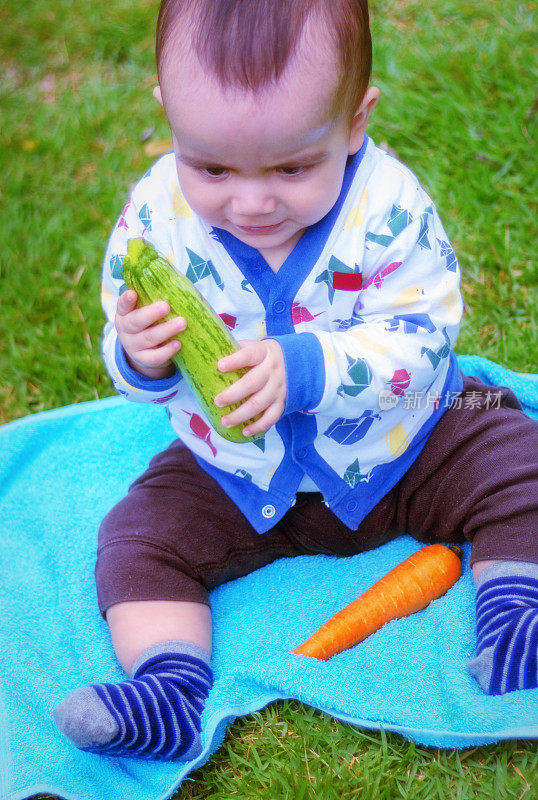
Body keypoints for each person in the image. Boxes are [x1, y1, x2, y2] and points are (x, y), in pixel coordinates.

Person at [53, 0, 538, 761]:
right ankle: (169, 692)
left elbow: (424, 333)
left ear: (354, 121)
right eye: (210, 166)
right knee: (134, 541)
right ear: (169, 119)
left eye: (291, 168)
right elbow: (136, 348)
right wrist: (139, 356)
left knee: (515, 457)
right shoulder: (155, 218)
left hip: (403, 441)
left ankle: (518, 616)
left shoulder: (389, 208)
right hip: (235, 472)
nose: (251, 203)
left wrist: (310, 367)